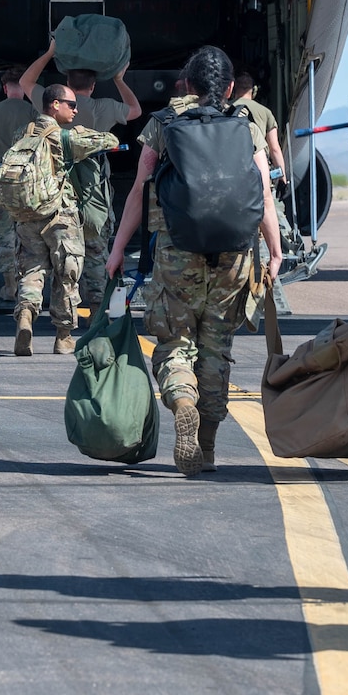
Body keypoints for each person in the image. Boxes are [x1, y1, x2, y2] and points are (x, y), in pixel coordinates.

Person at [106, 45, 282, 476]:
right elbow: (262, 194)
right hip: (235, 255)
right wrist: (275, 251)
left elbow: (139, 191)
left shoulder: (164, 125)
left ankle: (182, 398)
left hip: (177, 250)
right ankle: (206, 447)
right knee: (217, 347)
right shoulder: (246, 126)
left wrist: (116, 251)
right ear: (227, 87)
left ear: (186, 84)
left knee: (174, 342)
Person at [21, 39, 142, 314]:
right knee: (97, 252)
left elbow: (26, 81)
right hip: (91, 193)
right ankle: (98, 313)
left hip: (54, 191)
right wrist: (120, 80)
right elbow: (135, 110)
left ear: (66, 83)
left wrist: (49, 52)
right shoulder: (102, 107)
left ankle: (39, 311)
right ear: (93, 86)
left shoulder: (52, 105)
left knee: (57, 255)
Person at [6, 83, 119, 356]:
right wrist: (79, 131)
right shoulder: (64, 137)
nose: (76, 109)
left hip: (28, 216)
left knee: (32, 271)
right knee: (66, 275)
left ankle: (25, 317)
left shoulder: (22, 133)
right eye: (71, 104)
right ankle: (63, 336)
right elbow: (110, 141)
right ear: (54, 105)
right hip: (60, 217)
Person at [0, 67, 39, 305]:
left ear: (5, 88)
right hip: (27, 175)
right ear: (25, 88)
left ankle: (10, 286)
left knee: (4, 232)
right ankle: (31, 287)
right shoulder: (34, 112)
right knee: (29, 232)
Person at [231, 73, 286, 176]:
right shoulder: (266, 112)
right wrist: (283, 177)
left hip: (232, 169)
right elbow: (274, 148)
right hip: (260, 169)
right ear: (254, 90)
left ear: (233, 88)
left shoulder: (224, 109)